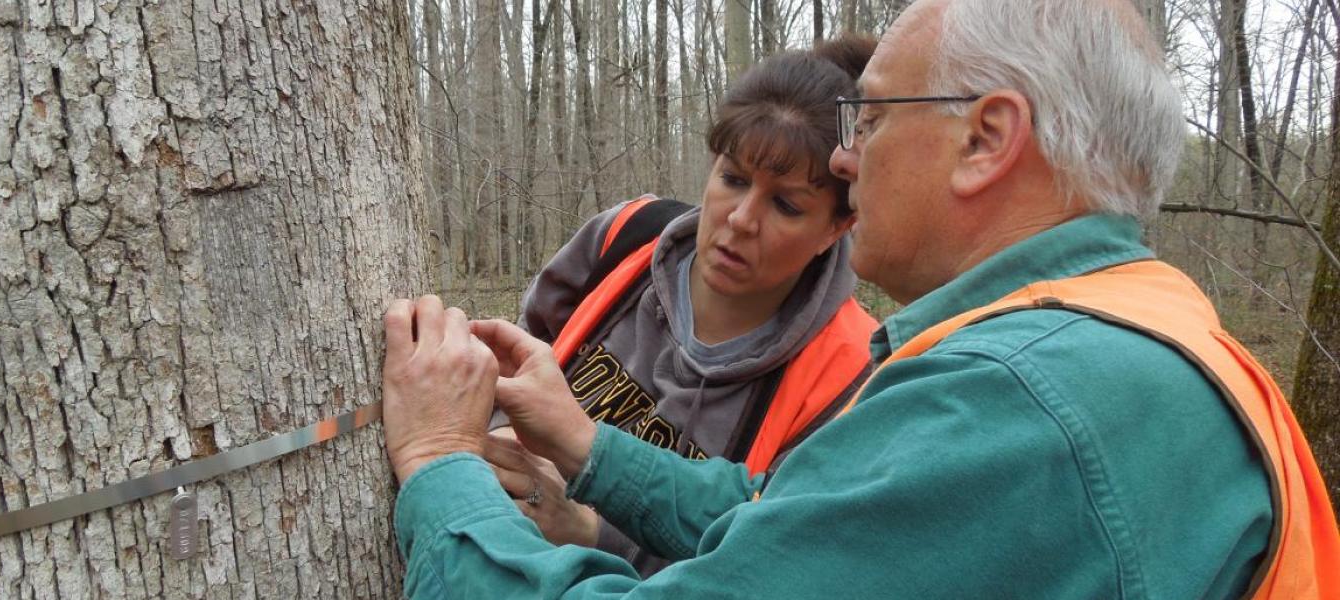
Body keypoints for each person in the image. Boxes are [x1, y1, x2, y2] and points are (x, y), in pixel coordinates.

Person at [381, 0, 1340, 597]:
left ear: (986, 139)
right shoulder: (1139, 337)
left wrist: (436, 463)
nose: (848, 154)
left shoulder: (1017, 407)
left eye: (871, 117)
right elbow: (796, 512)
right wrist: (588, 446)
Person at [482, 38, 880, 575]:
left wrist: (590, 533)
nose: (741, 218)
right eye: (733, 179)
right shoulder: (625, 239)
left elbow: (771, 567)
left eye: (785, 204)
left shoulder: (848, 376)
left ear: (837, 226)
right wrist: (500, 438)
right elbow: (515, 354)